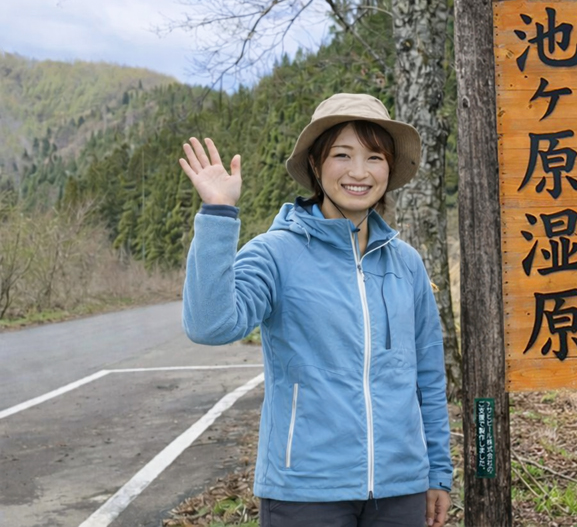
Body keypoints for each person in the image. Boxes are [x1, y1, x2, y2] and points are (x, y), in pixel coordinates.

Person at [178, 93, 452, 527]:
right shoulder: (276, 253)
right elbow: (210, 325)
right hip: (305, 488)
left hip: (401, 487)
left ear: (389, 169)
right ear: (315, 165)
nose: (359, 172)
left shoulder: (406, 264)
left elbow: (428, 379)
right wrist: (218, 213)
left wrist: (438, 470)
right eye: (342, 154)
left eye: (374, 157)